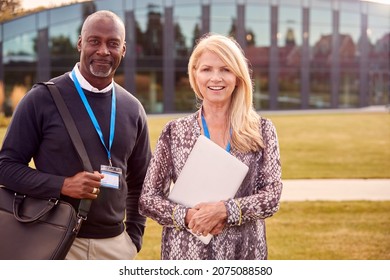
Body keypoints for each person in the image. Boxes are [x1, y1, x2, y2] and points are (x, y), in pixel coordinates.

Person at [0, 10, 152, 260]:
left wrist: (133, 238)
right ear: (80, 42)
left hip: (116, 247)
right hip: (56, 242)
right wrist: (63, 185)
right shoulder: (41, 99)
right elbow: (5, 167)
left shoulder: (132, 108)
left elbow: (141, 182)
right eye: (95, 41)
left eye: (112, 43)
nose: (103, 50)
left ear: (123, 50)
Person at [139, 33, 283, 260]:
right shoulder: (174, 132)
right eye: (207, 69)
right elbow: (149, 198)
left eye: (225, 69)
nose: (215, 78)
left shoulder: (261, 130)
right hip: (186, 255)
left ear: (237, 77)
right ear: (195, 75)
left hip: (243, 254)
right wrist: (186, 216)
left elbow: (272, 197)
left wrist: (225, 211)